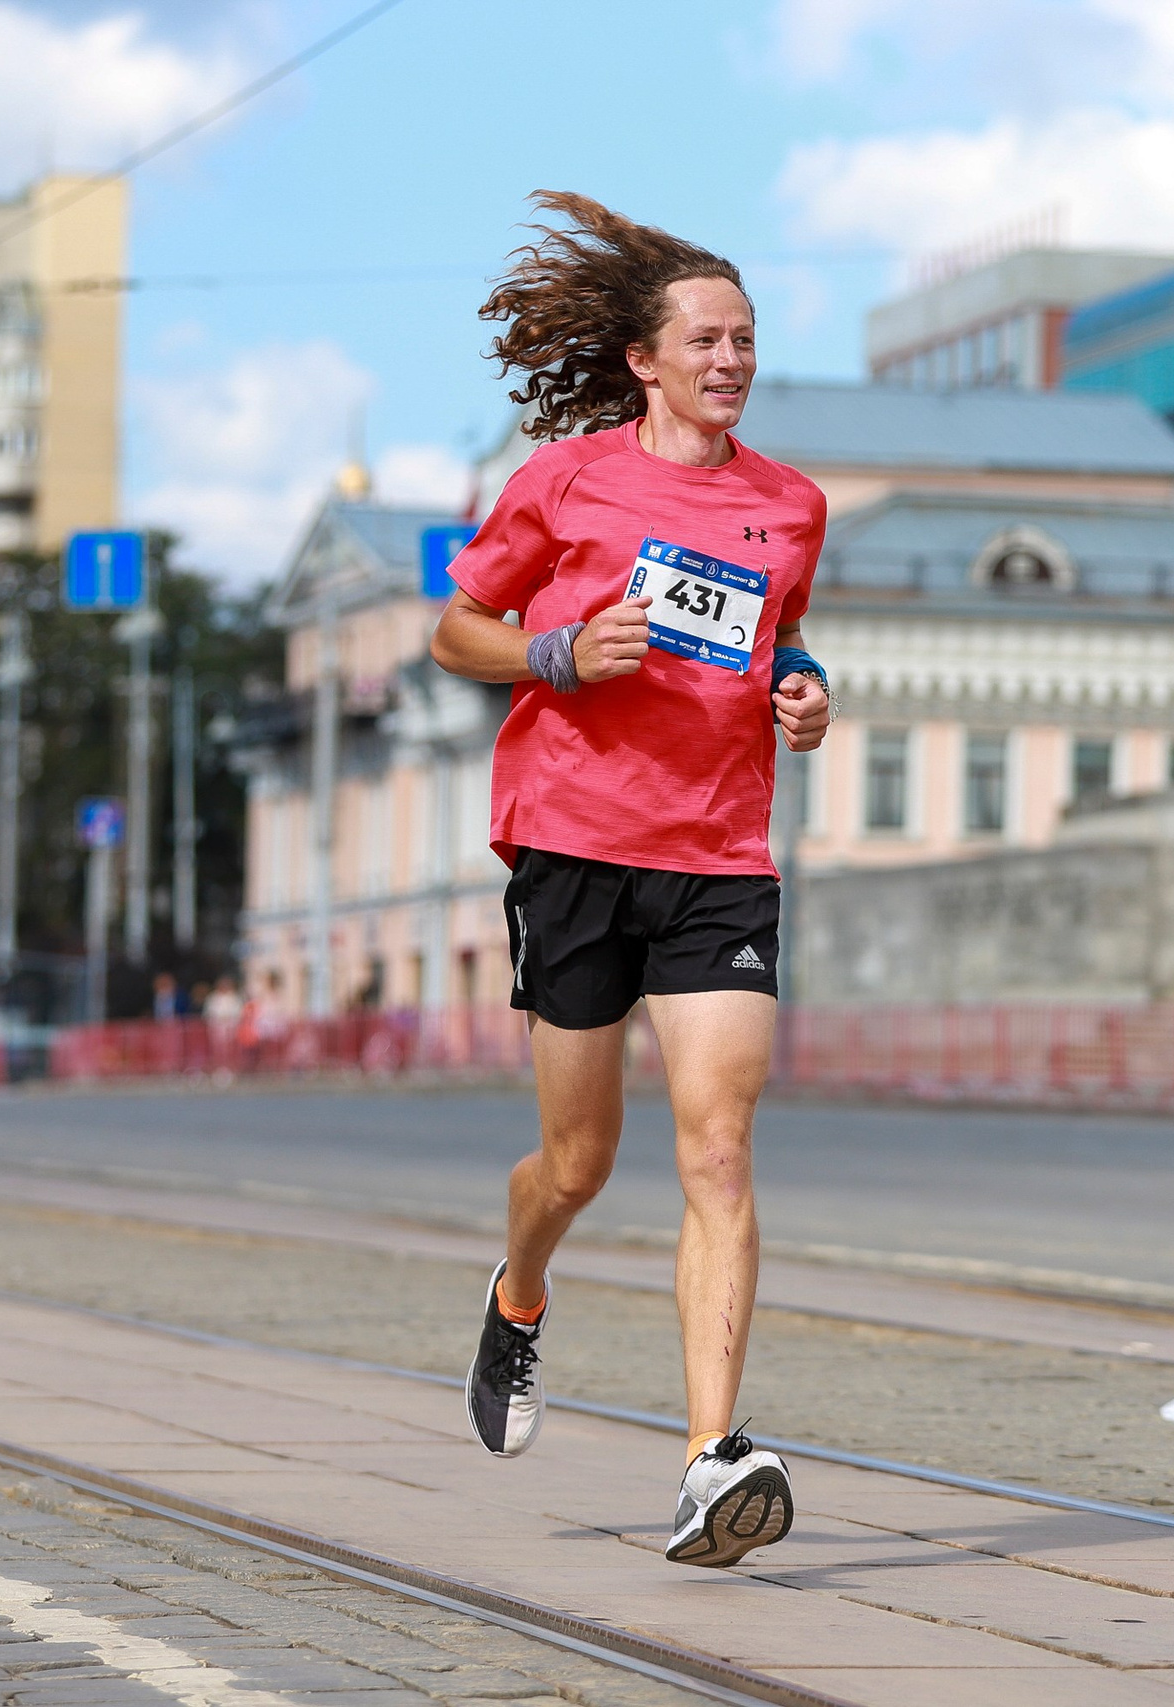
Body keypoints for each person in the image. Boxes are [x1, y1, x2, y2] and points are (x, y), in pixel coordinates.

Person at [431, 191, 832, 1570]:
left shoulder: (790, 505)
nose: (731, 359)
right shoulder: (567, 483)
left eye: (747, 339)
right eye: (706, 339)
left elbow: (781, 641)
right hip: (575, 844)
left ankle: (711, 1460)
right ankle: (521, 1297)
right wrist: (554, 656)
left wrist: (804, 689)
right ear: (645, 363)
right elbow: (457, 627)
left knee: (717, 1149)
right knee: (579, 1162)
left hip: (720, 854)